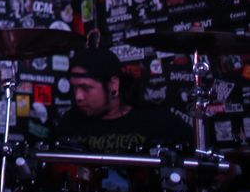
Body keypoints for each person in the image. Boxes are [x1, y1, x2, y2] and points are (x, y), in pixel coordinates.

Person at [55, 47, 191, 153]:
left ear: (113, 85)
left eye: (86, 88)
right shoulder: (70, 123)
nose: (78, 96)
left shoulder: (157, 122)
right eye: (74, 88)